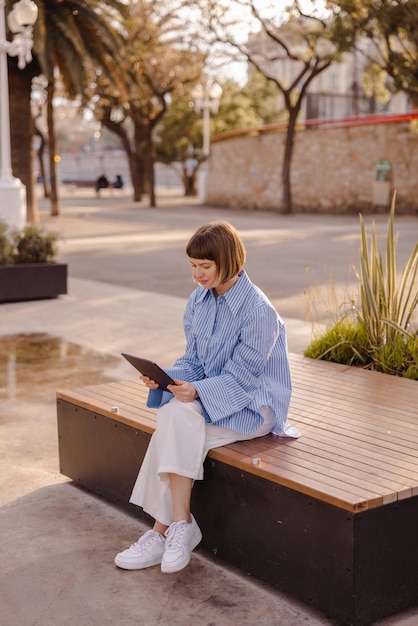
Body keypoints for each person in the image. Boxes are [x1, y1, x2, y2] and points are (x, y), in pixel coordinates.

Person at [114, 221, 300, 574]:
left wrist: (197, 390)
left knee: (176, 422)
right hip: (216, 398)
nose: (197, 274)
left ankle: (161, 531)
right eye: (193, 266)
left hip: (253, 407)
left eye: (205, 266)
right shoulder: (199, 299)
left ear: (228, 261)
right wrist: (167, 379)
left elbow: (243, 379)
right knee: (175, 417)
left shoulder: (259, 312)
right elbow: (194, 361)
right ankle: (178, 526)